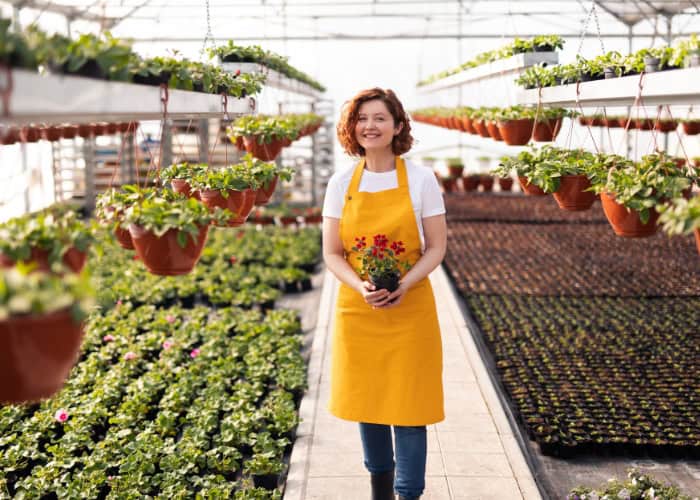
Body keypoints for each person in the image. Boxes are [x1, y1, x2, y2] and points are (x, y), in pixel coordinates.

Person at [321, 87, 447, 500]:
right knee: (369, 405)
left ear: (397, 126)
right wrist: (361, 286)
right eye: (362, 119)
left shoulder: (422, 179)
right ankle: (380, 492)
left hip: (410, 310)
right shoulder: (341, 183)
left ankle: (408, 494)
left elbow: (436, 248)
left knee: (410, 409)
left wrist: (404, 284)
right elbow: (332, 253)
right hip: (360, 310)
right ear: (351, 128)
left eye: (379, 118)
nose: (370, 126)